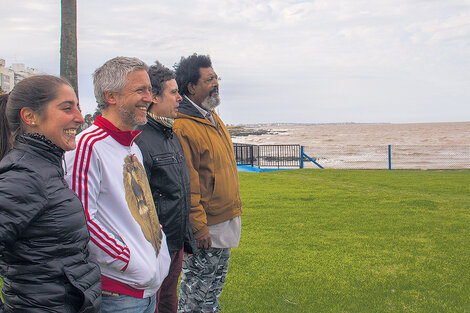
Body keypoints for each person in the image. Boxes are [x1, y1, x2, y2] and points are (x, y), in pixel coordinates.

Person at [65, 57, 171, 313]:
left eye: (150, 89)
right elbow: (81, 221)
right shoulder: (87, 146)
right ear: (110, 96)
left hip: (146, 288)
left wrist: (158, 251)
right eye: (140, 90)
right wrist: (129, 261)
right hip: (117, 292)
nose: (149, 97)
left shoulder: (131, 145)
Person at [0, 76, 101, 312]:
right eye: (67, 108)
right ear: (30, 117)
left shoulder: (44, 167)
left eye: (78, 106)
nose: (78, 117)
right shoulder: (25, 176)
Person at [173, 53, 242, 312]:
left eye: (216, 77)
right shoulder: (183, 126)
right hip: (206, 228)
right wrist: (198, 227)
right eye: (209, 79)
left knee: (213, 290)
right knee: (196, 294)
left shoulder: (212, 116)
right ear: (191, 87)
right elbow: (188, 182)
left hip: (225, 219)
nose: (216, 83)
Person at [135, 61, 196, 313]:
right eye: (173, 92)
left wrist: (185, 240)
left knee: (169, 303)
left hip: (174, 245)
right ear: (154, 97)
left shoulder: (170, 136)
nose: (180, 98)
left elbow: (178, 192)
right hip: (154, 248)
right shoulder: (140, 140)